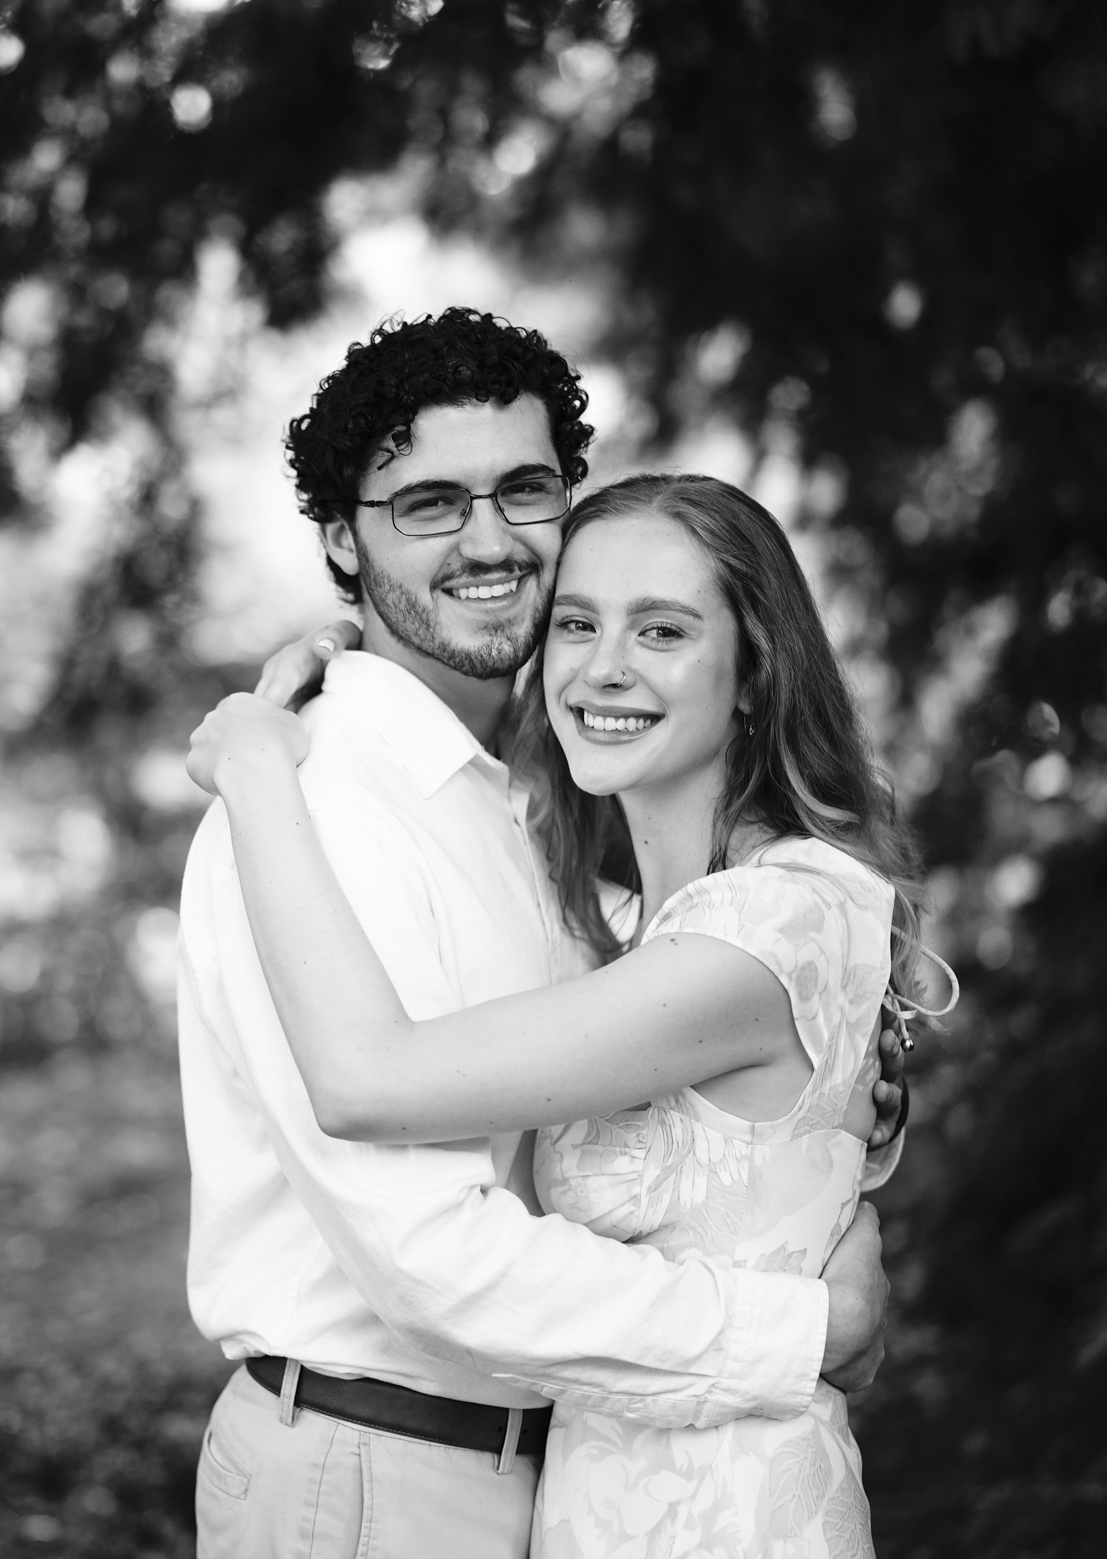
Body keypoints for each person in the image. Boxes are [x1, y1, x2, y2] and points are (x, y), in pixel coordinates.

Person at [174, 309, 905, 1559]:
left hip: (576, 1476)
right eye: (428, 504)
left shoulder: (536, 813)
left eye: (525, 490)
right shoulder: (318, 804)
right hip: (374, 1474)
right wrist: (796, 1328)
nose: (488, 540)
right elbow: (426, 1251)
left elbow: (723, 1049)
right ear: (343, 541)